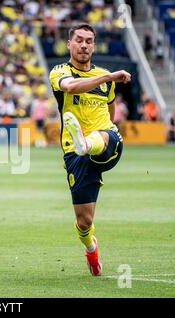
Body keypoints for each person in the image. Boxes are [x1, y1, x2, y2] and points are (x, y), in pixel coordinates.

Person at [49, 24, 131, 276]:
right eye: (79, 40)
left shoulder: (104, 76)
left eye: (89, 41)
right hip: (74, 153)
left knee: (105, 135)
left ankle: (90, 142)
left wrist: (108, 128)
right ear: (69, 44)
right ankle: (91, 249)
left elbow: (110, 109)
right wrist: (108, 77)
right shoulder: (59, 72)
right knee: (85, 221)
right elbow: (71, 88)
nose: (84, 45)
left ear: (94, 46)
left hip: (107, 141)